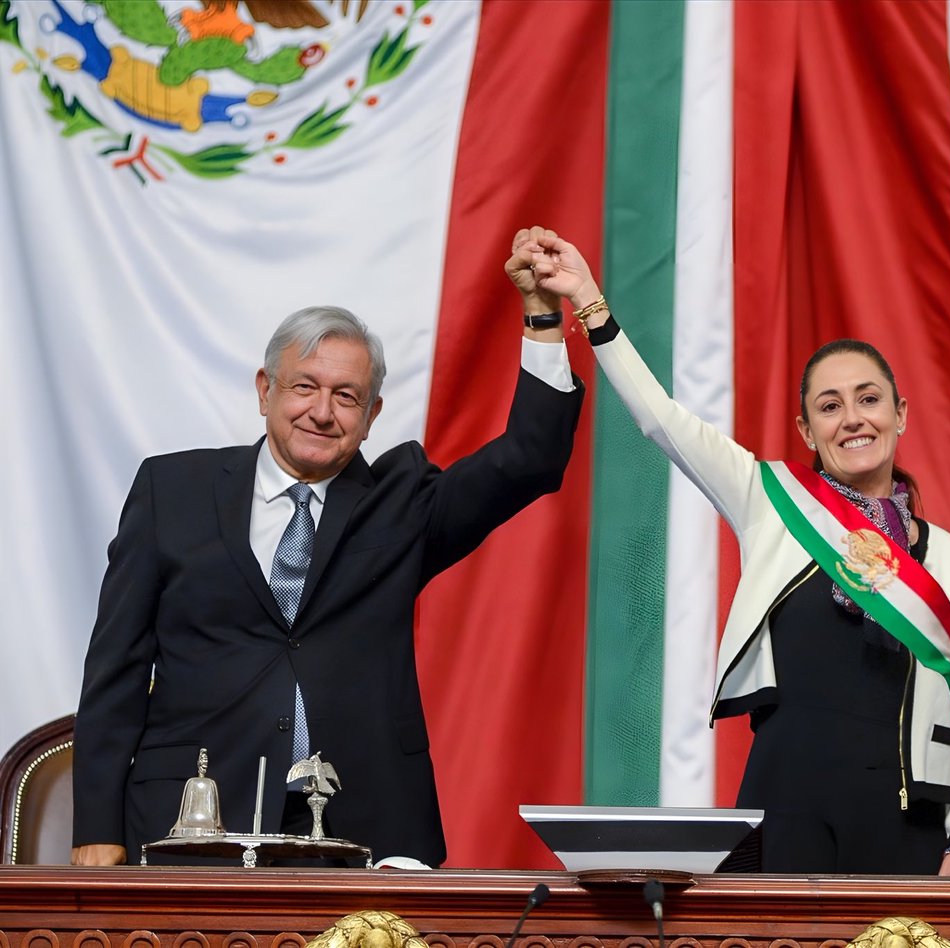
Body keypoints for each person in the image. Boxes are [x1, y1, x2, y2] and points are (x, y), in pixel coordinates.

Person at [507, 226, 950, 876]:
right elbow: (661, 419)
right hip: (789, 799)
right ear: (807, 431)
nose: (853, 418)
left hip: (910, 816)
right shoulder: (767, 497)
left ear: (900, 414)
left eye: (869, 400)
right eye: (830, 406)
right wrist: (589, 298)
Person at [71, 302, 583, 867]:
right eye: (304, 387)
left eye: (346, 396)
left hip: (360, 825)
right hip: (194, 818)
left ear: (372, 415)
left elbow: (530, 458)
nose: (321, 412)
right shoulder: (170, 491)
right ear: (266, 390)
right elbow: (115, 670)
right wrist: (96, 827)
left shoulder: (402, 505)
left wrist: (540, 319)